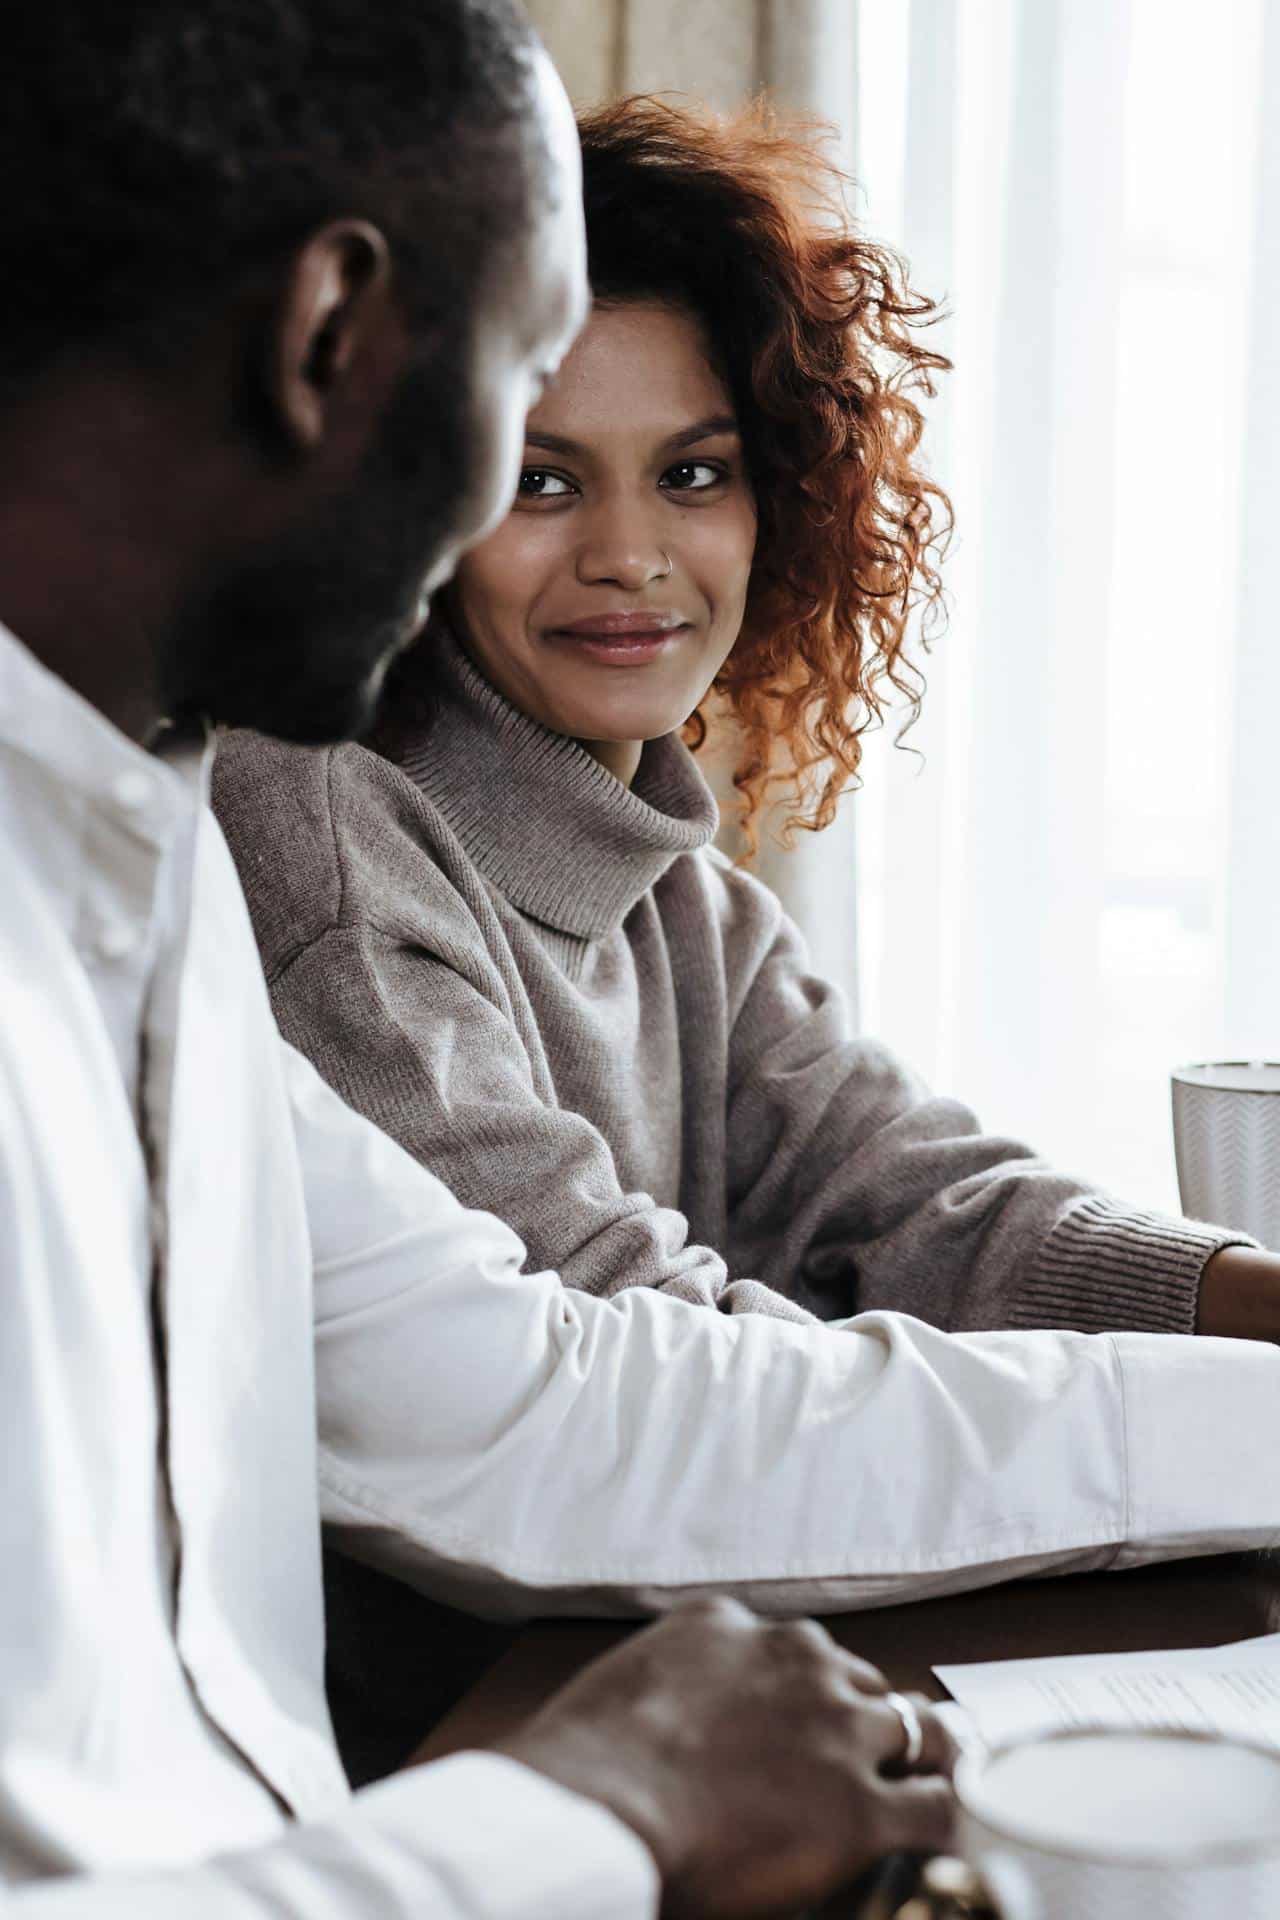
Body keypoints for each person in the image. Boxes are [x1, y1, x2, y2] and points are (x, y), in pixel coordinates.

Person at [3, 7, 1279, 1915]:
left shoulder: (137, 854)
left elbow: (548, 1408)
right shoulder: (272, 825)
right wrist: (583, 1813)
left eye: (692, 471)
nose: (596, 547)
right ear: (330, 340)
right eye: (517, 423)